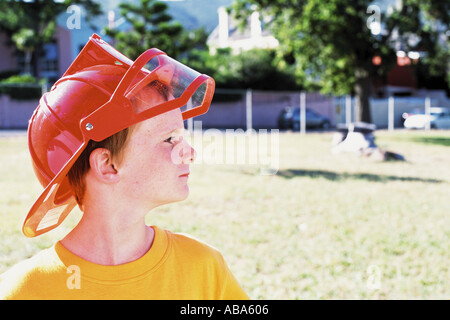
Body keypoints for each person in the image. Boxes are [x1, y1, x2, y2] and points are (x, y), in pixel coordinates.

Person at [0, 34, 249, 300]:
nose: (190, 153)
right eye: (169, 139)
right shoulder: (24, 291)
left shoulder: (204, 268)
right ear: (108, 165)